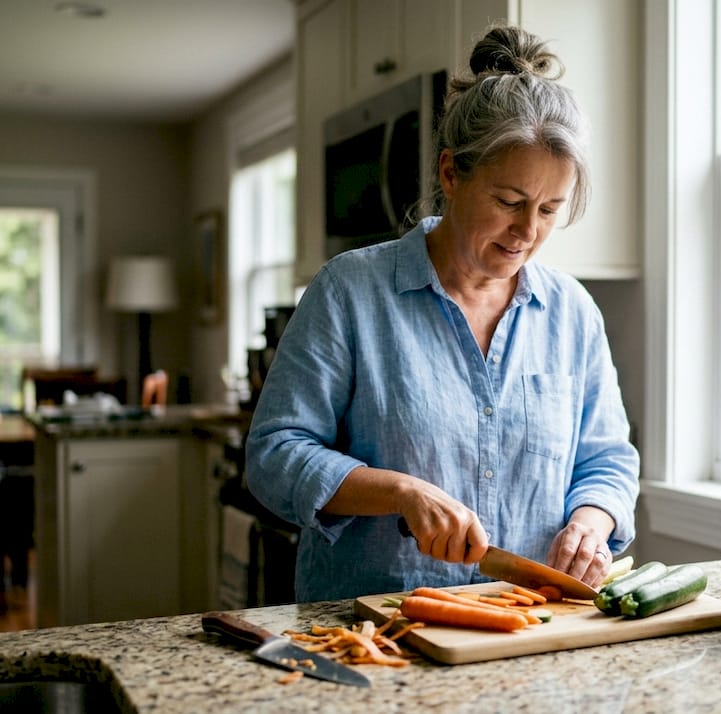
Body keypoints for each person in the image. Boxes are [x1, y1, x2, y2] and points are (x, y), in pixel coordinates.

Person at [246, 25, 640, 603]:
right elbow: (275, 454)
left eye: (550, 209)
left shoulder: (573, 313)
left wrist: (591, 522)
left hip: (529, 625)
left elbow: (607, 459)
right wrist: (400, 491)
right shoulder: (350, 291)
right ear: (451, 173)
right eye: (509, 202)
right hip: (373, 627)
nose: (527, 232)